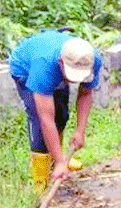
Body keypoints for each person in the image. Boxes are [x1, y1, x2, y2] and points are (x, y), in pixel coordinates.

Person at [8, 28, 102, 194]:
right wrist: (61, 162)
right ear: (61, 62)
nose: (76, 80)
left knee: (62, 116)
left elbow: (86, 93)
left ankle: (56, 159)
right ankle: (41, 177)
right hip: (24, 68)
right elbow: (46, 120)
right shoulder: (43, 68)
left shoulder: (91, 59)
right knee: (38, 120)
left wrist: (80, 131)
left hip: (53, 68)